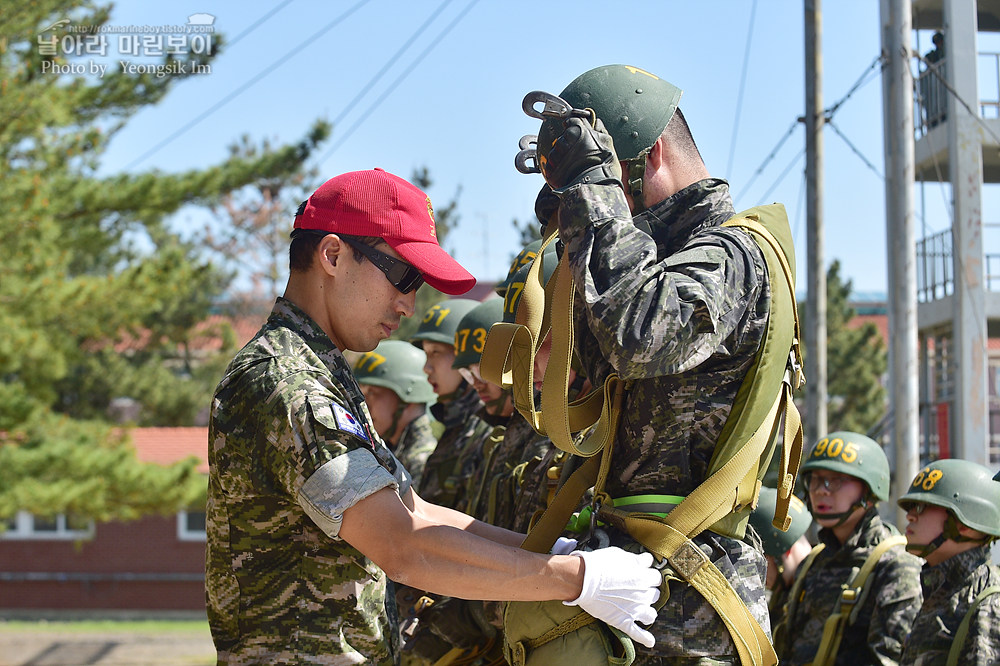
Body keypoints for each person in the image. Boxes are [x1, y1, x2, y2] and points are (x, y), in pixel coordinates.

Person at [205, 168, 662, 664]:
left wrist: (555, 553)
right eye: (403, 276)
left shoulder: (321, 373)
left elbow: (414, 510)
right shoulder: (284, 381)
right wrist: (576, 581)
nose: (408, 304)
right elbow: (402, 546)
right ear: (332, 255)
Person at [527, 63, 786, 662]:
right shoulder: (650, 263)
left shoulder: (731, 255)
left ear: (646, 163)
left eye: (607, 187)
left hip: (695, 603)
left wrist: (595, 197)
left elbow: (641, 335)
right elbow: (592, 365)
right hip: (634, 585)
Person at [777, 431, 922, 665]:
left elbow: (889, 658)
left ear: (868, 490)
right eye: (815, 479)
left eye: (835, 480)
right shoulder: (813, 562)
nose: (821, 490)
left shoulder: (896, 565)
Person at [897, 459, 1000, 665]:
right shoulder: (942, 590)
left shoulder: (988, 603)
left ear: (963, 523)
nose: (910, 516)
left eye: (921, 507)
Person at [408, 298, 488, 510]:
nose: (426, 367)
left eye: (436, 352)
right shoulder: (458, 428)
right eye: (426, 354)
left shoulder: (488, 432)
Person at [352, 339, 437, 488]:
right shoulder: (390, 453)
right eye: (362, 391)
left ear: (407, 399)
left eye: (373, 393)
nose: (364, 404)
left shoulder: (424, 461)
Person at [748, 486, 814, 634]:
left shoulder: (818, 590)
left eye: (758, 560)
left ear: (785, 552)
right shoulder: (792, 592)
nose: (756, 575)